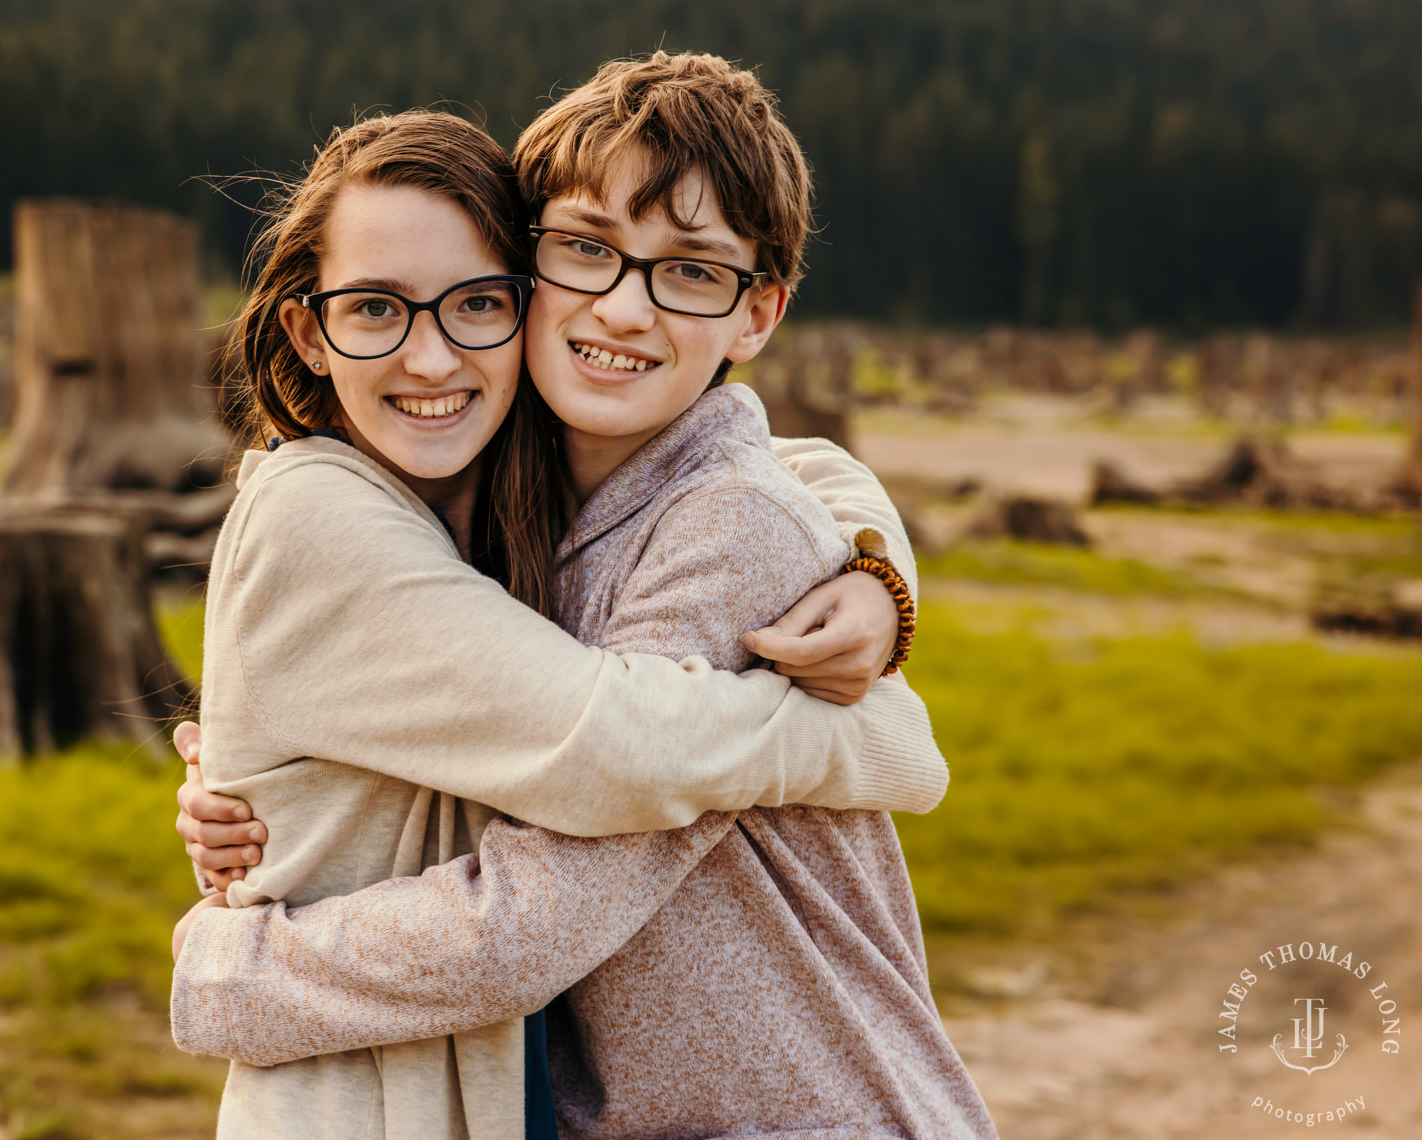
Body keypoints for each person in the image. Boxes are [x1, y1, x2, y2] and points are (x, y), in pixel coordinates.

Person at [168, 92, 958, 1140]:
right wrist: (848, 735)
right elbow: (612, 740)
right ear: (306, 332)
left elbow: (543, 899)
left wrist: (240, 972)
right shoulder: (362, 506)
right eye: (588, 249)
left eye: (686, 269)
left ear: (756, 312)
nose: (432, 355)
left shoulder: (645, 505)